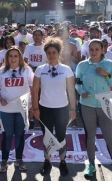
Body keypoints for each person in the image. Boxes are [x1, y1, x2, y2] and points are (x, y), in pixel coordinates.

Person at [75, 39, 112, 181]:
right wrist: (81, 91)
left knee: (109, 137)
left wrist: (107, 74)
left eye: (97, 49)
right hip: (87, 105)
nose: (93, 52)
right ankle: (91, 164)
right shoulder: (82, 65)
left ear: (102, 50)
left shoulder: (109, 65)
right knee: (90, 136)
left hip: (105, 105)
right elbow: (77, 82)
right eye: (91, 49)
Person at [32, 37, 76, 176]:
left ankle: (63, 162)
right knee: (47, 138)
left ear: (59, 53)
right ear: (45, 54)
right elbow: (35, 90)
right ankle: (47, 161)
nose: (51, 55)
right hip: (44, 109)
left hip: (62, 109)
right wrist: (35, 109)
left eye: (54, 52)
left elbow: (71, 91)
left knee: (61, 137)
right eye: (49, 52)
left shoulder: (66, 69)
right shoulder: (40, 69)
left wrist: (73, 109)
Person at [0, 47, 33, 173]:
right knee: (7, 135)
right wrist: (0, 98)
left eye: (16, 56)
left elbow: (33, 87)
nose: (13, 58)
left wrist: (31, 107)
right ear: (7, 58)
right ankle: (4, 161)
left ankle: (19, 160)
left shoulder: (27, 70)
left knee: (20, 135)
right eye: (11, 56)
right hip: (6, 110)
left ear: (20, 58)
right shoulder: (1, 71)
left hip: (22, 109)